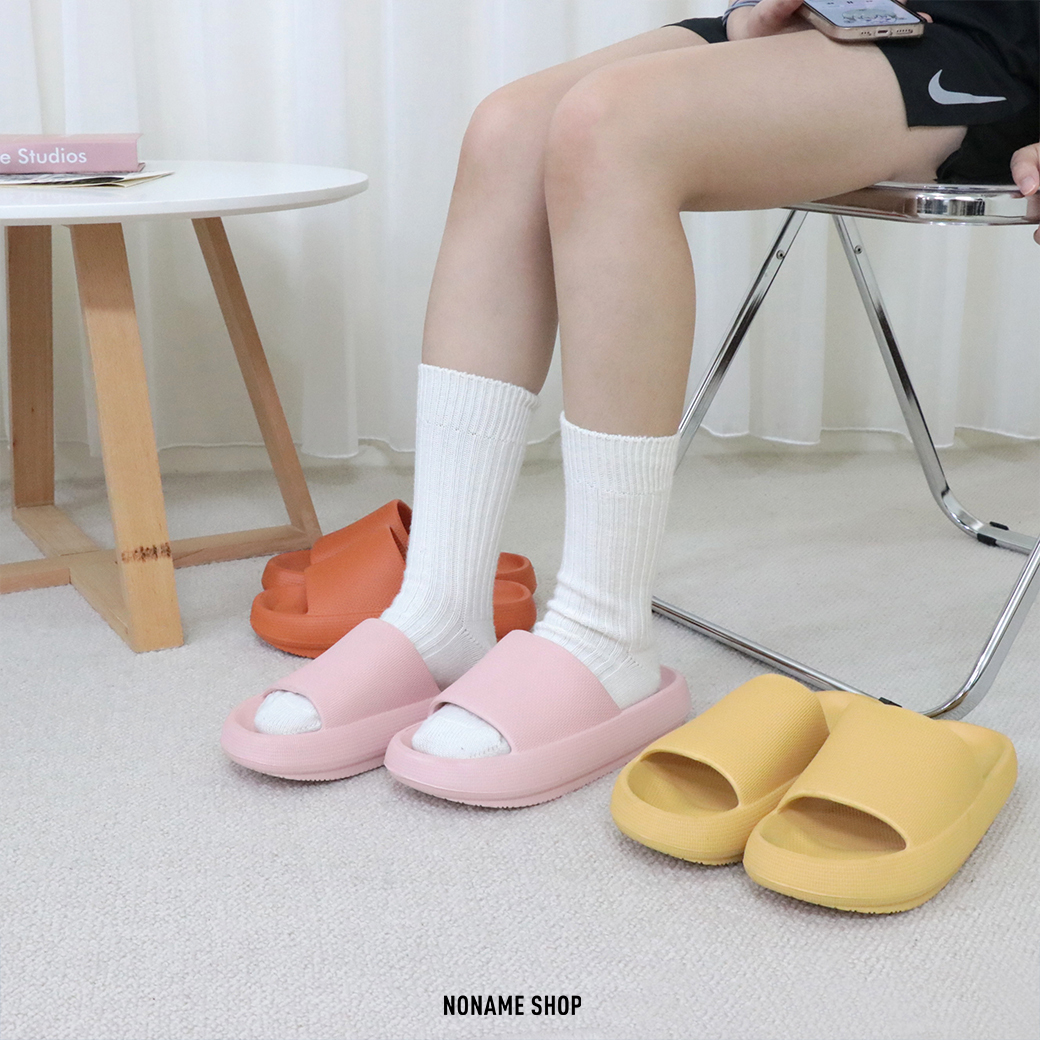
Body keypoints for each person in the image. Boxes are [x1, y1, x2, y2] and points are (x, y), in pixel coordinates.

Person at [224, 0, 1040, 797]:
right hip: (847, 19)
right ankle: (440, 608)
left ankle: (604, 634)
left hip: (992, 42)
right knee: (508, 126)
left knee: (610, 125)